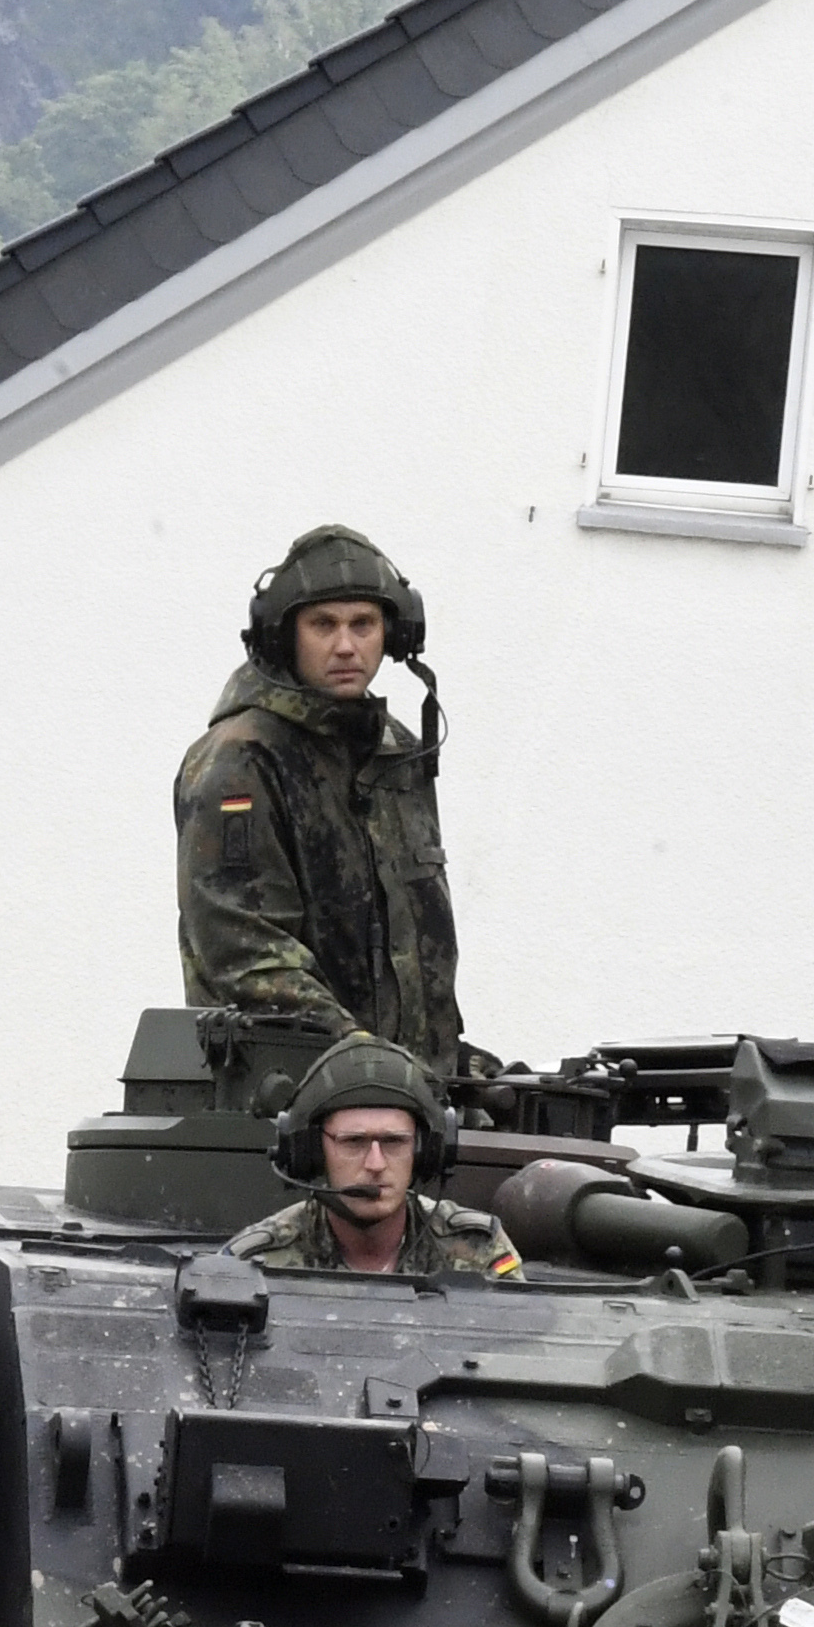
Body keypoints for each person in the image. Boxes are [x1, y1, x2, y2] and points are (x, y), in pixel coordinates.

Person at [175, 524, 464, 1072]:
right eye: (323, 625)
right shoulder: (242, 758)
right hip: (284, 1099)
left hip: (395, 1099)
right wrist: (371, 1064)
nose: (346, 645)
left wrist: (450, 1066)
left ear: (395, 634)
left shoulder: (393, 752)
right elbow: (245, 952)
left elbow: (413, 955)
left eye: (364, 624)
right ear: (285, 636)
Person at [227, 1034, 518, 1279]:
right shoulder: (254, 1264)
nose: (376, 1164)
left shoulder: (479, 1251)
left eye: (394, 1142)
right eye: (354, 1142)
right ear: (312, 1151)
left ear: (425, 1150)